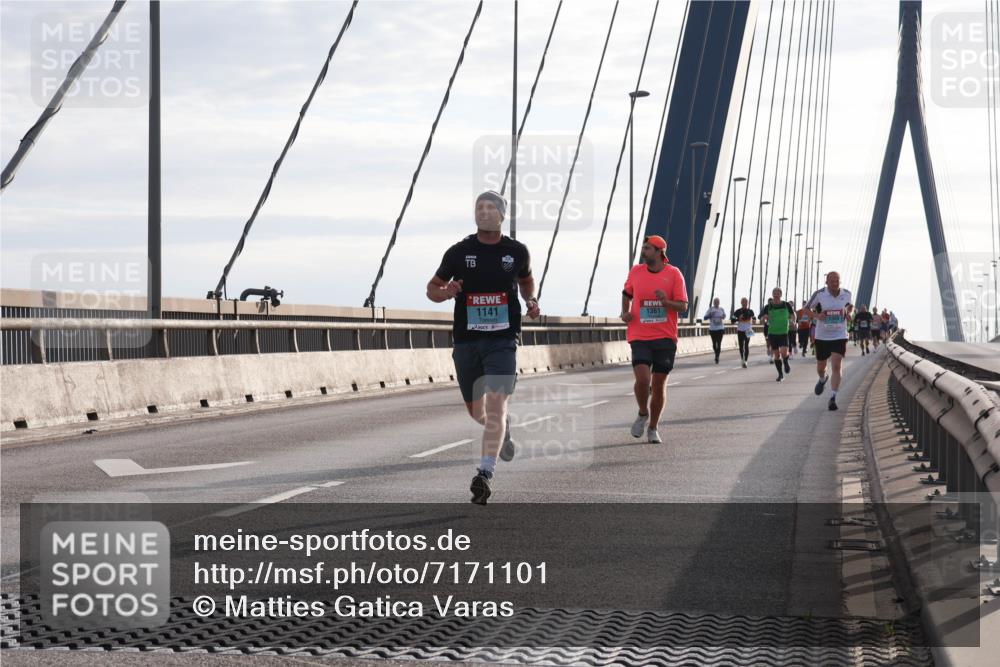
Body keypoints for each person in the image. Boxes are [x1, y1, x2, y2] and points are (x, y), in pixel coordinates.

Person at [427, 190, 539, 505]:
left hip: (503, 340)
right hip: (466, 340)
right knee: (478, 412)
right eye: (479, 207)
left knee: (496, 405)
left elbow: (527, 280)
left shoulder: (516, 251)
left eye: (491, 208)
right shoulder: (459, 252)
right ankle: (504, 429)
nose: (484, 212)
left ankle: (484, 474)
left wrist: (530, 300)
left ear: (502, 214)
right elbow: (431, 289)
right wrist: (447, 291)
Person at [621, 235, 688, 444]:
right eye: (643, 248)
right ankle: (643, 412)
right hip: (639, 334)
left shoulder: (674, 274)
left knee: (658, 385)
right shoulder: (636, 271)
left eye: (648, 248)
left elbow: (683, 306)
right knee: (643, 380)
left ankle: (653, 427)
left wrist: (666, 302)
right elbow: (626, 294)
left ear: (659, 252)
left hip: (665, 336)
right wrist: (625, 312)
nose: (643, 251)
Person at [807, 271, 852, 411]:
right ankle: (822, 379)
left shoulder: (847, 293)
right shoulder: (819, 294)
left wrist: (849, 313)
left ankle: (833, 397)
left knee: (837, 366)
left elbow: (850, 305)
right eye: (832, 280)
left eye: (837, 280)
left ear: (840, 281)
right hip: (822, 336)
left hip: (839, 335)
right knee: (821, 367)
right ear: (826, 282)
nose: (834, 282)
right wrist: (817, 315)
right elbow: (805, 309)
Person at [760, 287, 796, 381]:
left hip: (783, 332)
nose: (776, 295)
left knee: (784, 353)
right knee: (776, 355)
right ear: (772, 295)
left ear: (781, 294)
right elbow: (761, 319)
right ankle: (780, 375)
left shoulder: (786, 305)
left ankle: (786, 362)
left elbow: (793, 315)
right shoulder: (768, 306)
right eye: (774, 293)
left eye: (777, 293)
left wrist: (793, 321)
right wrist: (764, 318)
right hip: (772, 333)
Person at [731, 298, 756, 368]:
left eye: (746, 302)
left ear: (748, 303)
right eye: (743, 302)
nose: (745, 303)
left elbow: (754, 318)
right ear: (741, 303)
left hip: (748, 330)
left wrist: (754, 320)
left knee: (746, 345)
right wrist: (738, 318)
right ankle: (742, 359)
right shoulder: (737, 311)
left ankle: (746, 361)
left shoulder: (750, 311)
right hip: (740, 330)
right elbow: (732, 320)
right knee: (741, 346)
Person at [703, 297, 727, 364]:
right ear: (713, 303)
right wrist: (710, 315)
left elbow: (724, 316)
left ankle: (717, 357)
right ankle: (716, 353)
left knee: (718, 343)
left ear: (719, 303)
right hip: (713, 329)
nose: (716, 303)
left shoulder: (721, 309)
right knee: (714, 344)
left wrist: (723, 316)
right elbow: (704, 318)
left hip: (720, 329)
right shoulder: (711, 309)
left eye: (717, 302)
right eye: (715, 302)